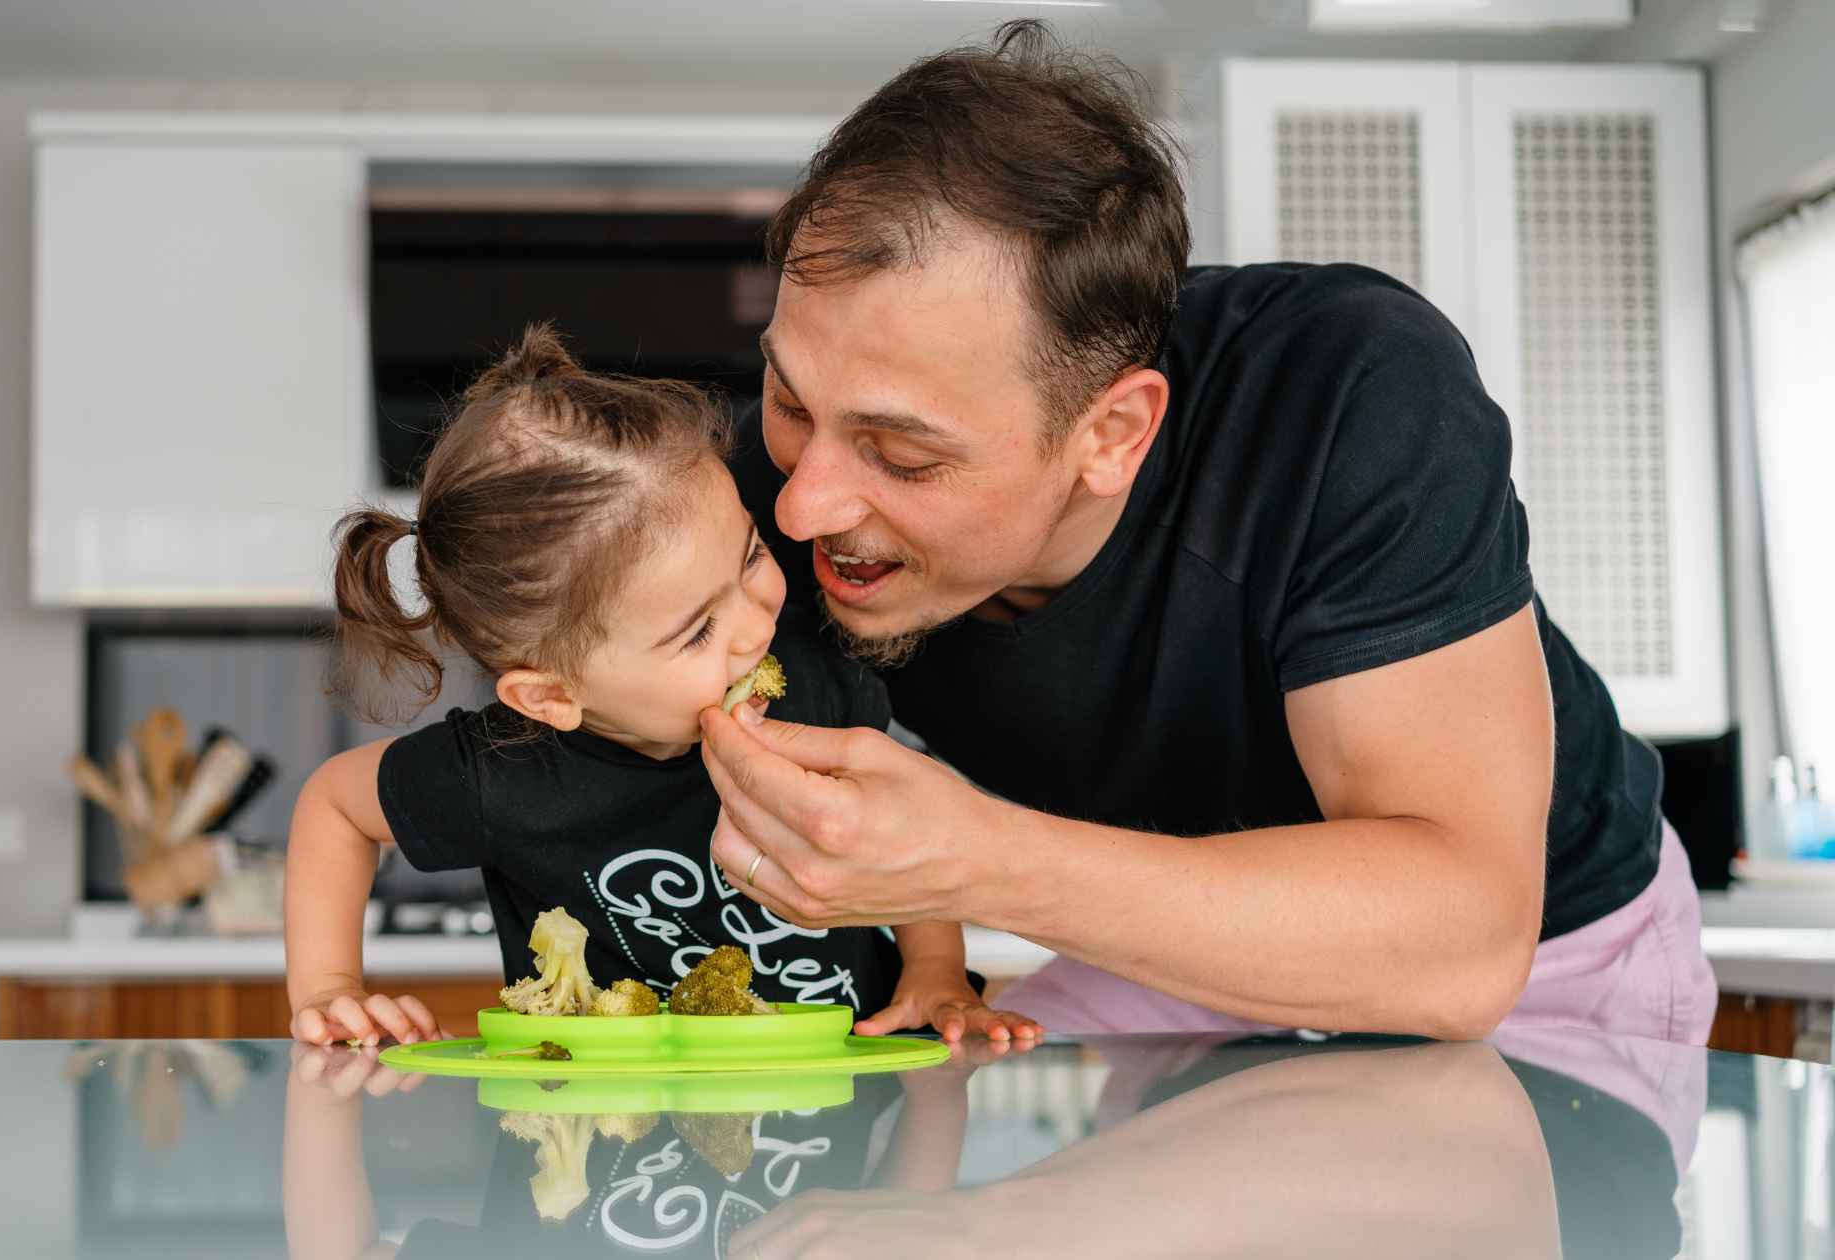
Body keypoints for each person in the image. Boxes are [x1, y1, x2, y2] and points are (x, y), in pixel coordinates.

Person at [699, 21, 1716, 1045]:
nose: (801, 506)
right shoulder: (758, 498)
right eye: (788, 399)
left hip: (1547, 953)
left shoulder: (1349, 394)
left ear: (1112, 433)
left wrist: (974, 858)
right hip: (1166, 950)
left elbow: (1461, 948)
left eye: (902, 456)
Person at [283, 325, 1039, 1047]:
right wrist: (328, 990)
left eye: (748, 558)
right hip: (598, 1146)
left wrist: (935, 970)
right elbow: (334, 807)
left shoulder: (818, 687)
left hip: (846, 1126)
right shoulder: (502, 775)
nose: (755, 627)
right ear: (550, 696)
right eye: (697, 633)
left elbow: (903, 829)